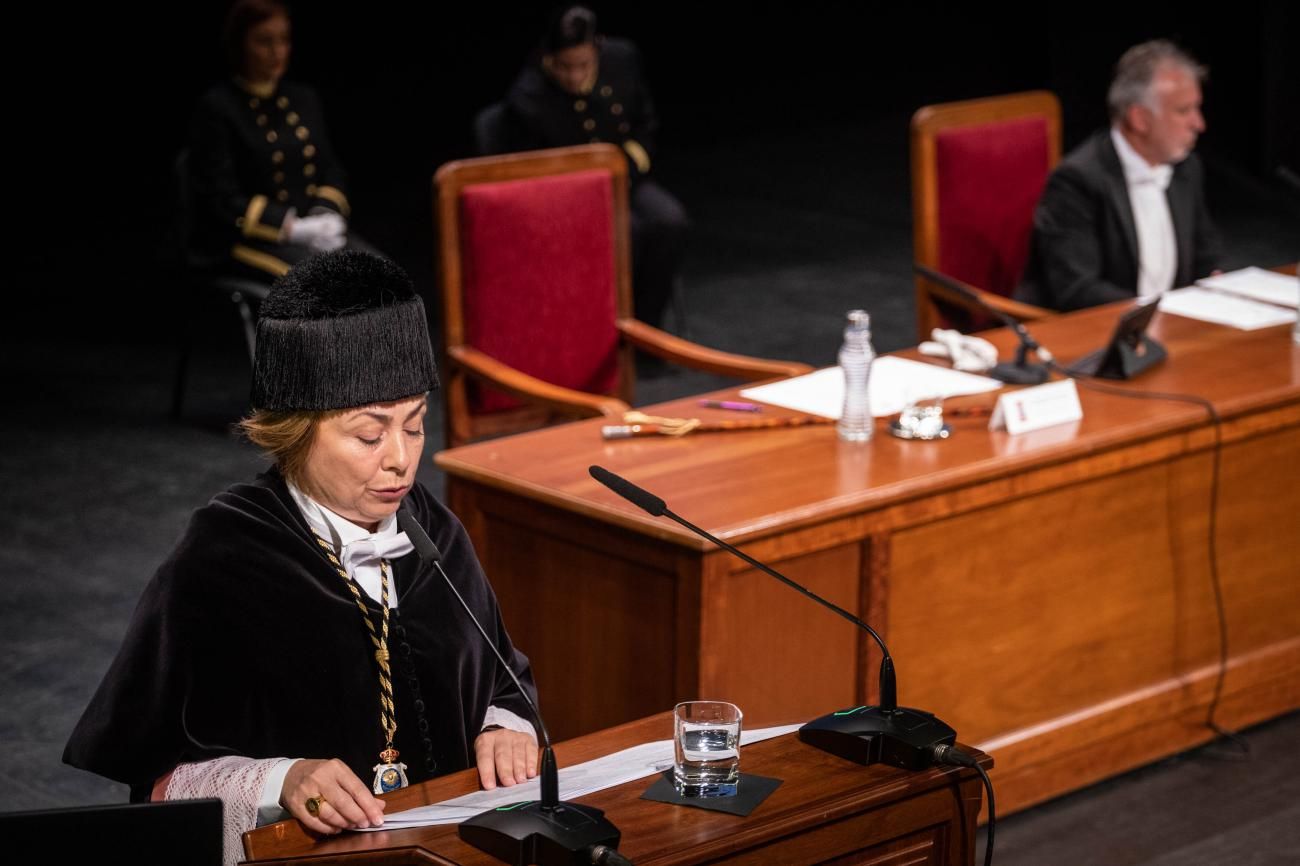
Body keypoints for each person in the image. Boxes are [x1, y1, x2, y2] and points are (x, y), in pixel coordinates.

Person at [64, 251, 539, 866]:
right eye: (369, 435)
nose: (400, 458)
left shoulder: (433, 532)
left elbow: (498, 676)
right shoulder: (223, 557)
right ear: (296, 431)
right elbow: (159, 777)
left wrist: (503, 728)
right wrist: (282, 780)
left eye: (416, 426)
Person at [503, 5, 688, 328]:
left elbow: (644, 126)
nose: (574, 77)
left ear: (597, 47)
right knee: (626, 230)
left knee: (669, 220)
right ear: (548, 57)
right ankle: (609, 328)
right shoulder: (527, 96)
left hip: (624, 177)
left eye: (583, 65)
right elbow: (527, 171)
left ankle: (647, 327)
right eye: (564, 67)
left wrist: (624, 171)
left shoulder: (623, 59)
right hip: (566, 196)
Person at [1017, 40, 1223, 311]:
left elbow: (1206, 257)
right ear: (1140, 119)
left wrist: (1217, 281)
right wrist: (1156, 313)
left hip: (1174, 327)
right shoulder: (1078, 180)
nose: (1199, 124)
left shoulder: (1186, 168)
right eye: (1183, 111)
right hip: (1102, 334)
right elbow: (1078, 289)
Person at [188, 0, 372, 281]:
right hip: (247, 239)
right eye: (264, 42)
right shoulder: (218, 107)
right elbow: (220, 197)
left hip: (311, 227)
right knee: (327, 287)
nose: (277, 52)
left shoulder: (303, 99)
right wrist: (290, 228)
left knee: (383, 279)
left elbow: (330, 169)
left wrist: (325, 217)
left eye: (284, 40)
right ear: (240, 46)